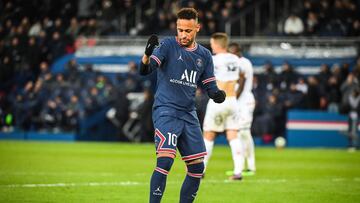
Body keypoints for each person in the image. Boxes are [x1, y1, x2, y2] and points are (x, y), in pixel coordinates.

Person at [139, 8, 226, 203]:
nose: (183, 34)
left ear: (197, 28)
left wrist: (218, 95)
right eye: (180, 30)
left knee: (197, 168)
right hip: (166, 111)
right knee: (165, 160)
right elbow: (145, 70)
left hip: (188, 114)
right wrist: (146, 55)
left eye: (187, 30)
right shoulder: (168, 45)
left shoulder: (204, 55)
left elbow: (210, 86)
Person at [202, 33, 243, 180]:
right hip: (232, 100)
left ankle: (201, 170)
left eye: (212, 44)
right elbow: (240, 77)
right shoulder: (236, 59)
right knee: (233, 135)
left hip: (218, 100)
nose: (211, 46)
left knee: (209, 135)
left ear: (218, 45)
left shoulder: (214, 60)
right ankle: (238, 172)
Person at [229, 42, 256, 175]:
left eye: (231, 51)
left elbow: (242, 82)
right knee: (241, 133)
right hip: (241, 101)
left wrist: (233, 98)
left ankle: (250, 167)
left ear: (236, 51)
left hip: (244, 101)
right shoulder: (243, 62)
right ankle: (245, 166)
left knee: (243, 132)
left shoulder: (242, 63)